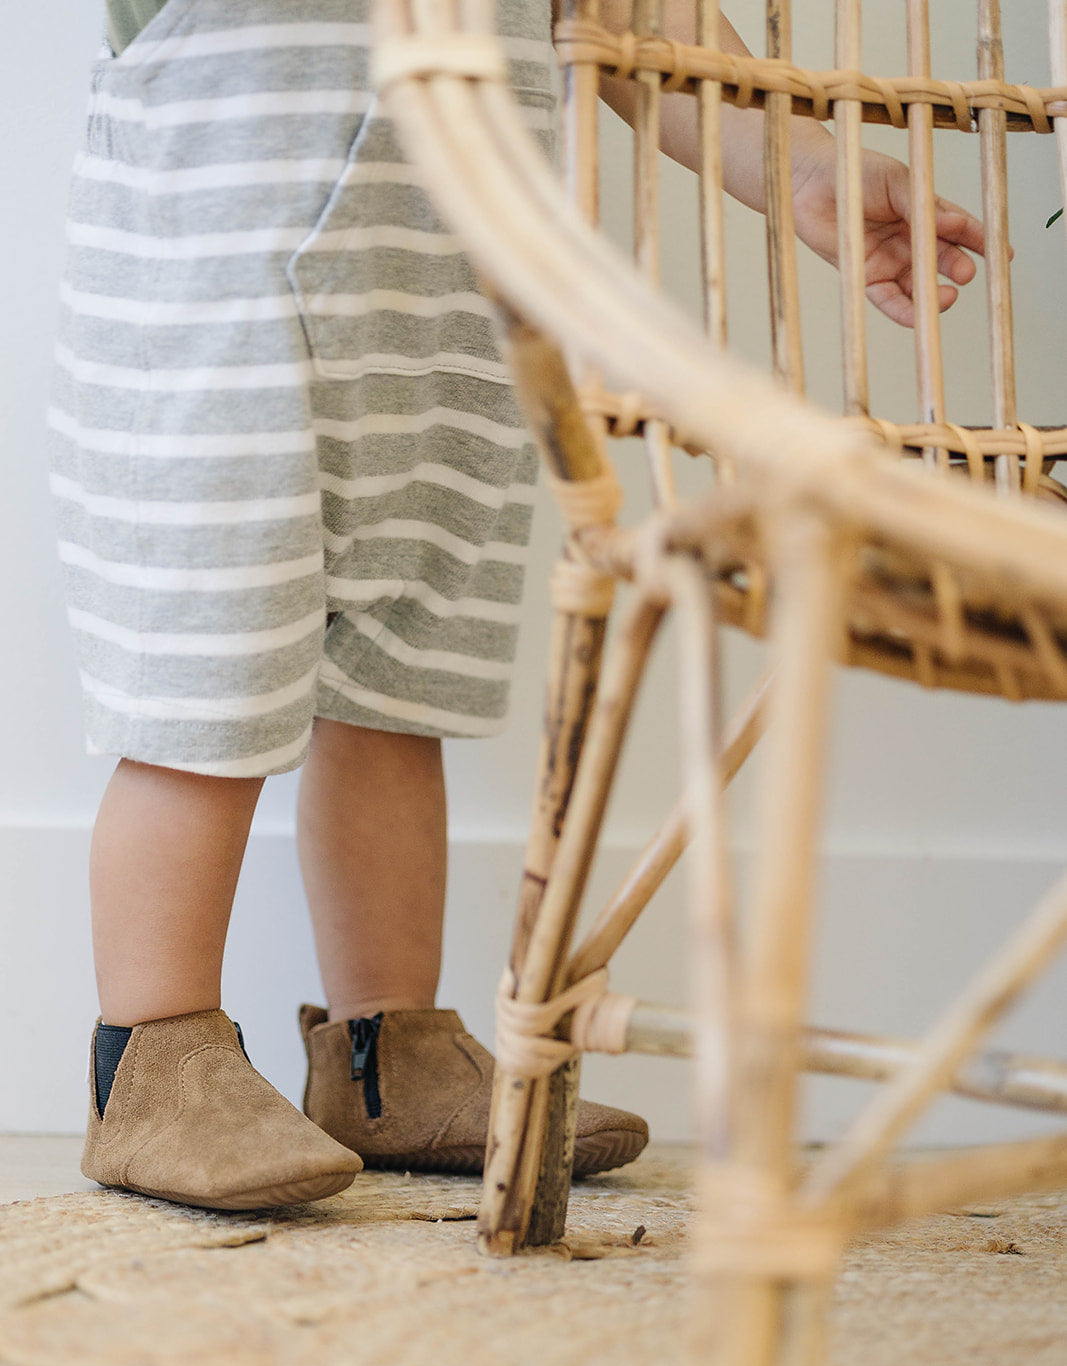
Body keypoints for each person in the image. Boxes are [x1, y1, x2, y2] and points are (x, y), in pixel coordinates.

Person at [51, 0, 986, 1210]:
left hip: (445, 328)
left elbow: (636, 18)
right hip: (221, 298)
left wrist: (806, 161)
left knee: (402, 685)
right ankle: (154, 1056)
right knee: (205, 679)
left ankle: (386, 1053)